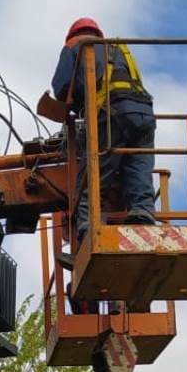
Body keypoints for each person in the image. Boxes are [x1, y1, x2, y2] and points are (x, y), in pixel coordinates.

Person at [51, 17, 157, 242]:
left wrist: (75, 104)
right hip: (144, 112)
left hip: (112, 114)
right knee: (138, 167)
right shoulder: (117, 47)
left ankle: (90, 226)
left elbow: (61, 88)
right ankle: (142, 214)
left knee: (95, 172)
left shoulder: (75, 47)